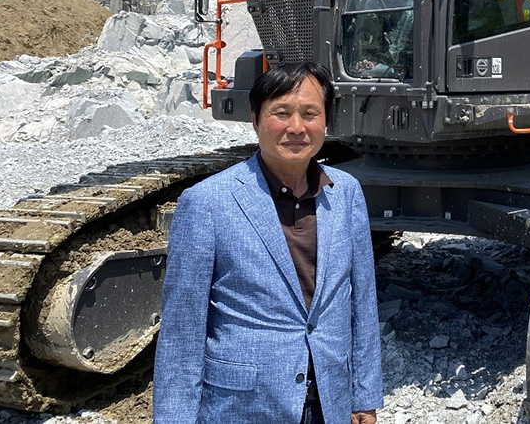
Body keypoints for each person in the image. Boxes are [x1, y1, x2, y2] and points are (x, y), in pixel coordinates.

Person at [153, 62, 382, 424]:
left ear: (326, 121)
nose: (296, 127)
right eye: (281, 113)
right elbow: (183, 330)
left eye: (310, 113)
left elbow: (362, 302)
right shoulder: (208, 202)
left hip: (329, 401)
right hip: (245, 406)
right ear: (256, 118)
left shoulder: (346, 193)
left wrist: (364, 396)